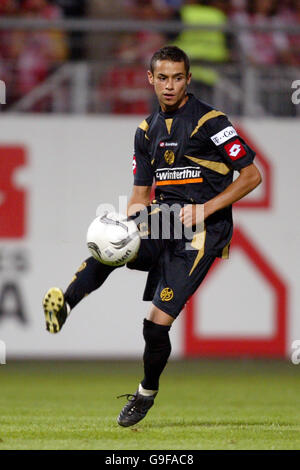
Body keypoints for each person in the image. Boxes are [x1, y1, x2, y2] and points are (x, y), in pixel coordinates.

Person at [43, 46, 262, 427]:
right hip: (162, 220)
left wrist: (207, 208)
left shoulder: (211, 121)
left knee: (155, 325)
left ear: (189, 79)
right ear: (151, 79)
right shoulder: (146, 130)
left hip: (202, 232)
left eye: (178, 77)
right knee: (113, 246)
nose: (170, 85)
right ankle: (65, 305)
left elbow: (251, 176)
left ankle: (146, 393)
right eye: (163, 77)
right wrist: (126, 225)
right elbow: (141, 195)